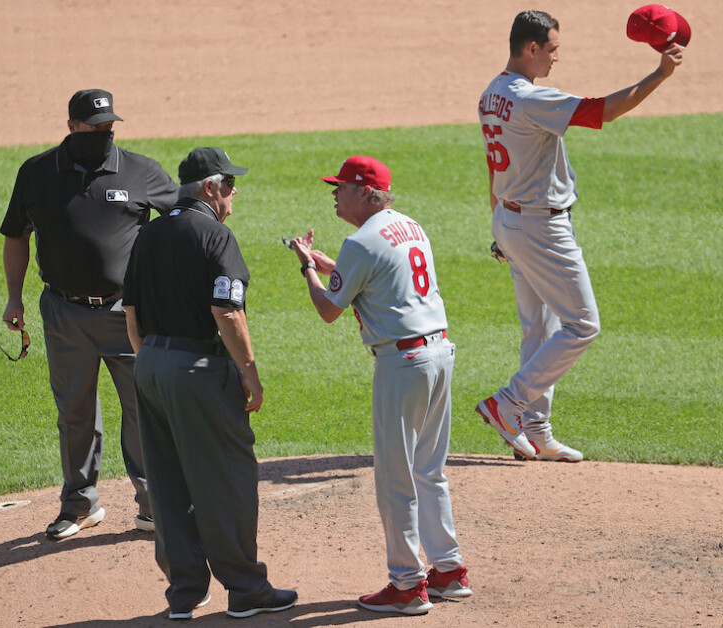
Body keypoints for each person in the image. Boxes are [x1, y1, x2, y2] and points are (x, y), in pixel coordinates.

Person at [476, 10, 684, 462]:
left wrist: (500, 228)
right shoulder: (531, 99)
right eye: (551, 49)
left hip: (510, 219)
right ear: (531, 48)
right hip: (540, 226)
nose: (556, 58)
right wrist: (660, 74)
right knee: (582, 324)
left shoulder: (491, 94)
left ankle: (535, 429)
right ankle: (507, 403)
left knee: (540, 328)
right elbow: (602, 110)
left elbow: (495, 165)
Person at [288, 156, 471, 616]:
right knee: (429, 469)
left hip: (403, 364)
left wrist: (306, 269)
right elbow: (372, 278)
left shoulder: (361, 241)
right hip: (439, 354)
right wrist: (325, 262)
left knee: (395, 478)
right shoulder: (409, 226)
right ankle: (448, 570)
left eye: (341, 187)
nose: (334, 193)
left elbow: (330, 307)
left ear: (367, 193)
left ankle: (408, 585)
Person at [123, 147, 298, 620]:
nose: (234, 192)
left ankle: (184, 594)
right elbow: (227, 311)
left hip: (150, 366)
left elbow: (132, 313)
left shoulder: (148, 234)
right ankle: (245, 589)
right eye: (229, 184)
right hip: (198, 370)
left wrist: (154, 365)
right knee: (228, 480)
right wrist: (250, 371)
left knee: (167, 481)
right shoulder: (215, 235)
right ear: (210, 187)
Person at [0, 89, 179, 539]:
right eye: (94, 127)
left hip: (129, 314)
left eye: (108, 127)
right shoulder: (37, 173)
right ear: (72, 126)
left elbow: (184, 221)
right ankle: (79, 505)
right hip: (63, 312)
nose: (103, 134)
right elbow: (16, 235)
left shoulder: (141, 171)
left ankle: (154, 505)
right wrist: (14, 297)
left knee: (144, 410)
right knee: (75, 413)